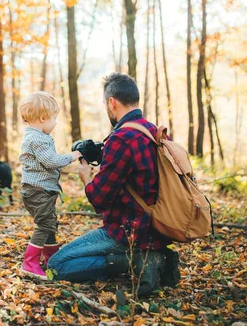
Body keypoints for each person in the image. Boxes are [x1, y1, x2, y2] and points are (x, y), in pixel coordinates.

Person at [47, 73, 180, 296]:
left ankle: (136, 261)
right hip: (157, 229)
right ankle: (148, 257)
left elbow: (99, 200)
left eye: (105, 104)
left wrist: (86, 176)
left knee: (56, 265)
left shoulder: (121, 138)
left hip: (127, 232)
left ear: (112, 102)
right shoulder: (154, 132)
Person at [18, 91, 82, 279]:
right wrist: (71, 157)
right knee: (45, 225)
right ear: (43, 118)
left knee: (50, 223)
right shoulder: (37, 139)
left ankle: (52, 258)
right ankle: (29, 263)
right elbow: (50, 161)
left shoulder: (35, 136)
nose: (55, 122)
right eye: (54, 118)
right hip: (37, 191)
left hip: (41, 190)